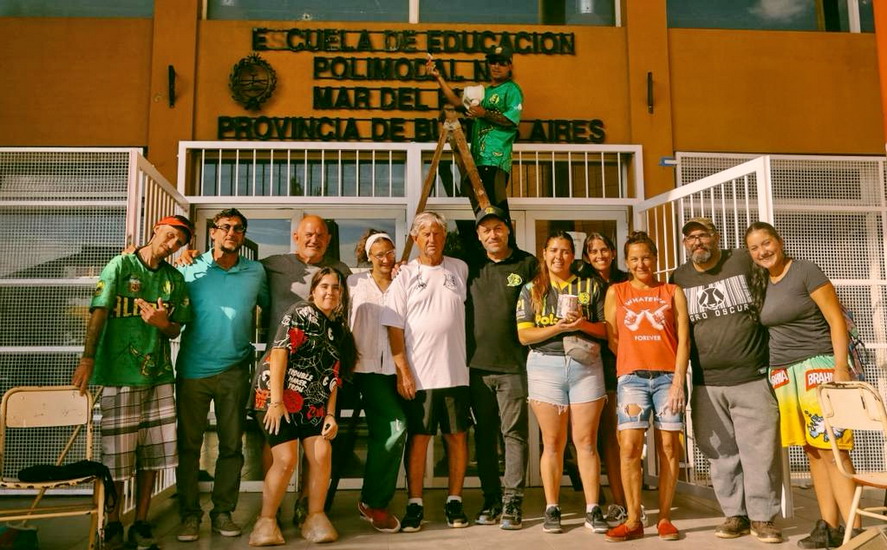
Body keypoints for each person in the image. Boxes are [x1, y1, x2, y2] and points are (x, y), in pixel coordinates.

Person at [71, 215, 193, 550]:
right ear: (156, 230)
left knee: (152, 456)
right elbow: (98, 311)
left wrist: (162, 323)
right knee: (118, 458)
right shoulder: (121, 266)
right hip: (119, 374)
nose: (172, 244)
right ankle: (113, 522)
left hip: (158, 376)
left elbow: (176, 328)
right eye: (170, 235)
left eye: (179, 242)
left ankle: (141, 520)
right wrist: (87, 358)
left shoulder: (173, 278)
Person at [745, 221, 859, 549]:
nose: (763, 252)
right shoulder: (762, 282)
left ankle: (856, 531)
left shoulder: (805, 271)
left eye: (767, 243)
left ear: (779, 242)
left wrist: (840, 368)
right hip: (785, 374)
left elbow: (835, 320)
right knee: (812, 450)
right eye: (755, 248)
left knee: (833, 449)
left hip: (818, 368)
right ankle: (829, 526)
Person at [670, 217, 782, 544]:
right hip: (706, 382)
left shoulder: (742, 259)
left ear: (716, 237)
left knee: (760, 453)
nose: (697, 242)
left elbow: (776, 281)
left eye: (702, 235)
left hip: (751, 376)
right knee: (720, 455)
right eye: (690, 238)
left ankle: (762, 517)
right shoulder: (679, 277)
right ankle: (735, 514)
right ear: (685, 244)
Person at [174, 208, 270, 542]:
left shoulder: (256, 271)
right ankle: (189, 515)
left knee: (232, 445)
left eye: (239, 228)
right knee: (189, 446)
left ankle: (222, 512)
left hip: (235, 370)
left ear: (244, 235)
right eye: (225, 227)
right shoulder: (189, 267)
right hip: (193, 371)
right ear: (213, 232)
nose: (232, 232)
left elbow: (272, 309)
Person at [248, 267, 357, 545]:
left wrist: (330, 414)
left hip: (313, 403)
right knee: (285, 460)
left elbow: (332, 376)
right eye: (324, 286)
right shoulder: (300, 312)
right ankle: (266, 521)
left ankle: (315, 515)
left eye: (336, 287)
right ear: (313, 291)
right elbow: (279, 353)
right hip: (276, 395)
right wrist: (275, 402)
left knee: (322, 452)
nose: (330, 292)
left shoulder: (338, 329)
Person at [381, 211, 471, 532]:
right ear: (415, 238)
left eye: (437, 232)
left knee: (457, 437)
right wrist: (403, 371)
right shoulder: (404, 275)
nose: (432, 238)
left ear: (445, 236)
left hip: (457, 372)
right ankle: (415, 503)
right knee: (419, 439)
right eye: (426, 233)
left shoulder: (460, 268)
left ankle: (454, 501)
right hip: (420, 376)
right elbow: (393, 327)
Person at [260, 213, 352, 522]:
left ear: (329, 239)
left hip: (315, 380)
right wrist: (193, 257)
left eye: (321, 234)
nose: (314, 239)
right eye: (308, 234)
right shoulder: (273, 264)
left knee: (316, 450)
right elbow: (236, 265)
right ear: (296, 237)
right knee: (279, 450)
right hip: (278, 376)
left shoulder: (340, 271)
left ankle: (306, 506)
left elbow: (332, 371)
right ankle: (270, 511)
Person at [515, 231, 609, 534]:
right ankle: (552, 507)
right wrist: (557, 328)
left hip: (585, 365)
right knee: (553, 442)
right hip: (545, 364)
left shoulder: (590, 285)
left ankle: (593, 508)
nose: (559, 256)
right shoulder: (531, 288)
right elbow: (524, 335)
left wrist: (582, 324)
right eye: (553, 250)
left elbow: (607, 330)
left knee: (586, 442)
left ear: (573, 255)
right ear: (544, 253)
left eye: (565, 251)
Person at [603, 230, 690, 542]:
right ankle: (633, 519)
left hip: (668, 378)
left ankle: (665, 517)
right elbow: (613, 337)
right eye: (634, 259)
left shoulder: (671, 291)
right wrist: (633, 357)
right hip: (632, 379)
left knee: (669, 446)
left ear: (655, 258)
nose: (641, 264)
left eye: (646, 257)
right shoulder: (616, 291)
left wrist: (678, 381)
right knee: (629, 446)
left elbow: (684, 340)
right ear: (627, 262)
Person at [467, 206, 537, 529]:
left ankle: (512, 501)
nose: (492, 235)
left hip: (513, 367)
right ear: (479, 236)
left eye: (497, 228)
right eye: (486, 230)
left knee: (514, 435)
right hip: (477, 368)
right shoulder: (471, 266)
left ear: (508, 230)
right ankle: (491, 498)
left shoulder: (527, 264)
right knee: (484, 436)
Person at [347, 229, 406, 533]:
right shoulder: (354, 283)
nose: (386, 259)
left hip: (399, 370)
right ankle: (374, 502)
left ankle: (376, 498)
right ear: (368, 257)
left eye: (390, 252)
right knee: (396, 427)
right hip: (365, 370)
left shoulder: (403, 281)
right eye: (379, 254)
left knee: (386, 431)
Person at [427, 44, 523, 219]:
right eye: (493, 62)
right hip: (477, 159)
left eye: (501, 63)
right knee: (484, 211)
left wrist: (484, 113)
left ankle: (507, 237)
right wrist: (438, 77)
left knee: (497, 209)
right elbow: (457, 103)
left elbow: (511, 120)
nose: (496, 66)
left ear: (510, 65)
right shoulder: (484, 92)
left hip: (495, 159)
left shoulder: (512, 89)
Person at [576, 232, 629, 526]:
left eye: (604, 250)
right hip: (589, 363)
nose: (599, 256)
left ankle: (623, 499)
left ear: (613, 252)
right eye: (593, 251)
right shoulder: (580, 282)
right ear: (586, 256)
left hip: (623, 363)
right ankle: (600, 499)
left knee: (619, 436)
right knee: (591, 437)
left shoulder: (625, 281)